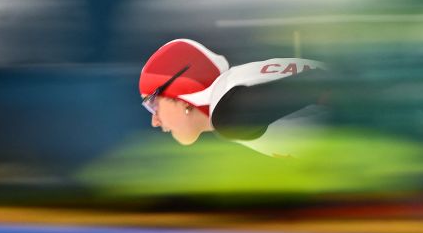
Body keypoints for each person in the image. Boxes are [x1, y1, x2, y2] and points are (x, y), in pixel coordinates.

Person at [138, 38, 330, 158]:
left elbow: (327, 84)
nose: (155, 120)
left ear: (181, 97)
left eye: (153, 104)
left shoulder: (228, 113)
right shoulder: (232, 89)